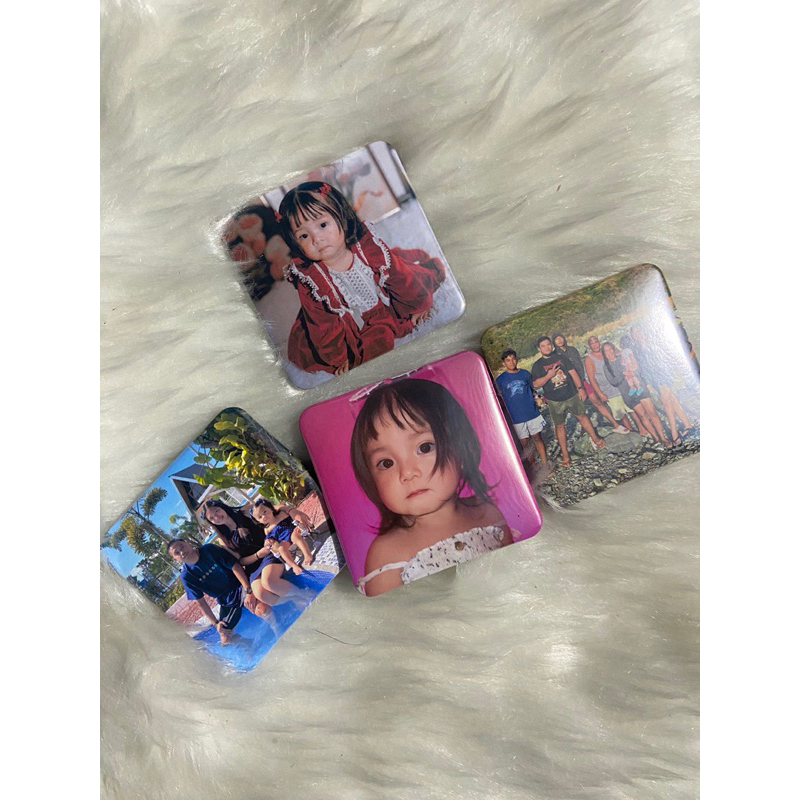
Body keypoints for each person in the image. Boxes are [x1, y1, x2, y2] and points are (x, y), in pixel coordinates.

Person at [350, 378, 513, 597]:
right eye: (386, 463)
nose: (408, 473)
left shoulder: (488, 514)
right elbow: (386, 616)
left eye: (424, 447)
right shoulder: (386, 555)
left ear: (460, 448)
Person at [277, 181, 446, 376]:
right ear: (295, 243)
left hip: (385, 300)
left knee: (410, 274)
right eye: (304, 236)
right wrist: (341, 357)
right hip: (351, 324)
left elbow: (401, 278)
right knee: (375, 346)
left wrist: (418, 305)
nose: (316, 239)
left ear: (342, 217)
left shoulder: (369, 249)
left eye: (323, 225)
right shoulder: (312, 282)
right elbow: (322, 326)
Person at [201, 500, 297, 607]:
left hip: (269, 551)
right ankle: (294, 601)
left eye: (216, 511)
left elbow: (274, 508)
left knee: (269, 582)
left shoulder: (245, 512)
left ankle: (303, 594)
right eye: (212, 518)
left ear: (222, 507)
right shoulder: (223, 539)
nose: (216, 517)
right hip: (254, 563)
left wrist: (293, 511)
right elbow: (240, 561)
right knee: (261, 594)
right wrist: (258, 555)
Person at [167, 539, 263, 646]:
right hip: (226, 600)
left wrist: (248, 590)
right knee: (225, 640)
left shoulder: (209, 550)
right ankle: (248, 644)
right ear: (176, 559)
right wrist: (216, 623)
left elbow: (235, 566)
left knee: (261, 609)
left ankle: (275, 628)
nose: (182, 552)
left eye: (182, 546)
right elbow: (201, 602)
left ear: (188, 543)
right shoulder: (187, 576)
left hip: (239, 585)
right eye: (177, 553)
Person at [530, 336, 606, 467]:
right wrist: (549, 376)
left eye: (548, 344)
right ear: (539, 349)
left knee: (582, 416)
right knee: (560, 426)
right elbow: (536, 384)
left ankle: (596, 439)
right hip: (554, 400)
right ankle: (566, 455)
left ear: (551, 345)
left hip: (571, 394)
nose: (547, 347)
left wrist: (581, 389)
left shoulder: (561, 358)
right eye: (543, 346)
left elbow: (573, 373)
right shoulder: (537, 365)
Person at [629, 323, 694, 445]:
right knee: (672, 400)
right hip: (655, 378)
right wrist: (649, 383)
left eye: (639, 331)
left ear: (643, 331)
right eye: (635, 333)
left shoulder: (653, 341)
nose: (638, 334)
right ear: (633, 336)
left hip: (666, 374)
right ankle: (687, 424)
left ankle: (674, 434)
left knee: (666, 403)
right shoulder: (637, 350)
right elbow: (643, 367)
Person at [601, 342, 670, 447]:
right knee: (642, 416)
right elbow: (613, 382)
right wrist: (624, 374)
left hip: (640, 388)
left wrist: (632, 371)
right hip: (628, 394)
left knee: (652, 413)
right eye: (606, 351)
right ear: (604, 354)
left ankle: (663, 438)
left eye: (610, 349)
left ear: (614, 349)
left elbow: (637, 369)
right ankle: (656, 438)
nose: (609, 352)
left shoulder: (623, 358)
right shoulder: (606, 367)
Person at [553, 333, 623, 432]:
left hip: (582, 381)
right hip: (569, 385)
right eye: (556, 339)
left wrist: (581, 381)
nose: (559, 340)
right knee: (580, 411)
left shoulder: (572, 350)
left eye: (560, 338)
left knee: (597, 401)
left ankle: (616, 424)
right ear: (553, 342)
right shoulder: (555, 355)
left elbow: (579, 365)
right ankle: (590, 433)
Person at [495, 349, 548, 471]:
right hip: (515, 417)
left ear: (517, 360)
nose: (511, 362)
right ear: (504, 363)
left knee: (537, 438)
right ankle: (533, 466)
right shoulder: (500, 380)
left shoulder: (525, 374)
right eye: (508, 360)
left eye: (513, 359)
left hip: (531, 412)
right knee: (525, 443)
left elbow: (533, 390)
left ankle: (545, 465)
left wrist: (539, 399)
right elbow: (498, 397)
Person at [584, 335, 636, 433]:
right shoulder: (589, 359)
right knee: (621, 413)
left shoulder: (605, 351)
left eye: (596, 342)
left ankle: (642, 430)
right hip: (607, 390)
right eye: (592, 343)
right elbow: (591, 379)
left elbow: (620, 356)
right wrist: (600, 394)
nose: (595, 345)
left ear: (599, 342)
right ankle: (632, 432)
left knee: (631, 408)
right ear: (589, 346)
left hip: (619, 385)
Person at [251, 498, 315, 571]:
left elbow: (291, 517)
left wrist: (299, 522)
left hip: (292, 530)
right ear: (258, 521)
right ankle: (294, 566)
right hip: (283, 539)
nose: (264, 516)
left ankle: (307, 554)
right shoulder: (267, 529)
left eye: (265, 512)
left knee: (295, 537)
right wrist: (268, 541)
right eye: (260, 517)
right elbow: (269, 538)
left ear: (270, 508)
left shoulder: (281, 514)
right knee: (282, 549)